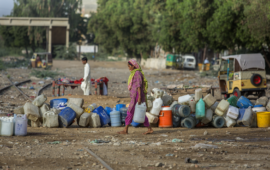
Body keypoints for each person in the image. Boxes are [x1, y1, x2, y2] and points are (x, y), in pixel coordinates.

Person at [118, 59, 153, 135]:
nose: (129, 68)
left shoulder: (137, 73)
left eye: (129, 66)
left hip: (137, 96)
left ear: (133, 66)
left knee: (130, 111)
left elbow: (139, 86)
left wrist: (139, 97)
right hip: (135, 95)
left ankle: (125, 130)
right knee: (141, 112)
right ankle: (149, 128)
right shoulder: (134, 73)